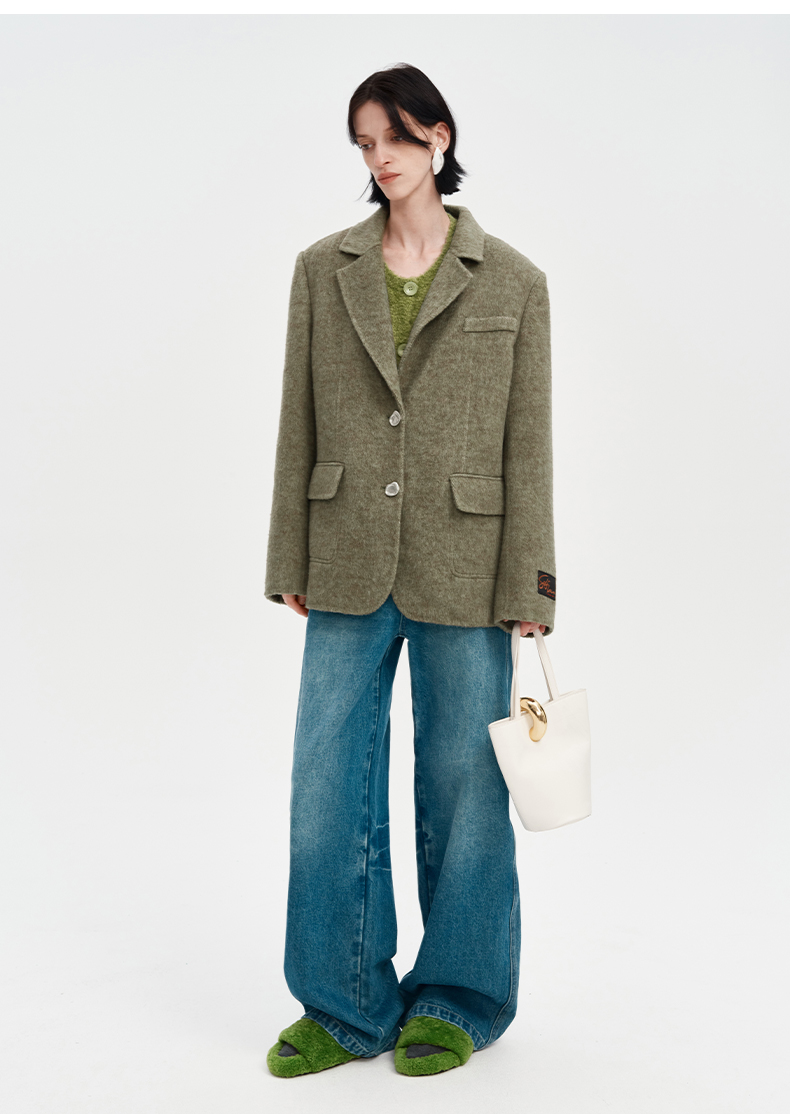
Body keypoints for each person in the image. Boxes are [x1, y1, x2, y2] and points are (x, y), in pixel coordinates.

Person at [263, 62, 556, 1078]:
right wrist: (286, 554)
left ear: (439, 137)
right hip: (342, 550)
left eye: (392, 136)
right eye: (363, 142)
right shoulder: (322, 269)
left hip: (466, 561)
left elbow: (528, 445)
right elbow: (297, 419)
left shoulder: (513, 280)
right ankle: (343, 1002)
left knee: (464, 788)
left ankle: (458, 998)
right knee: (324, 786)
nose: (378, 158)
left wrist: (530, 585)